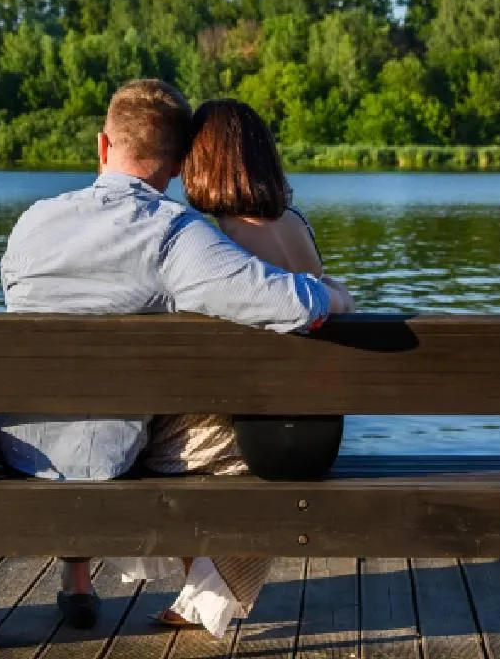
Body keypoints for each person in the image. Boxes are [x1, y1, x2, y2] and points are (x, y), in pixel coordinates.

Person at [0, 80, 354, 631]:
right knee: (240, 419)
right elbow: (293, 304)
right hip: (108, 458)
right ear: (179, 165)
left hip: (14, 447)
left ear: (102, 146)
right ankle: (214, 586)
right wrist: (337, 295)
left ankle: (78, 579)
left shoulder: (33, 223)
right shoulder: (173, 235)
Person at [136, 99, 346, 635]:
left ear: (202, 162)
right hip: (312, 424)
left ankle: (208, 590)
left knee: (156, 445)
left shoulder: (220, 239)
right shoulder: (294, 223)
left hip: (259, 429)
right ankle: (204, 592)